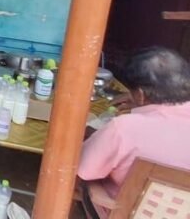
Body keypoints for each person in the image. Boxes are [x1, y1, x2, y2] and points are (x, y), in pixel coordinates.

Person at [78, 46, 190, 217]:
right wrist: (143, 107)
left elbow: (84, 169)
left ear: (139, 94)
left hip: (122, 212)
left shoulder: (124, 127)